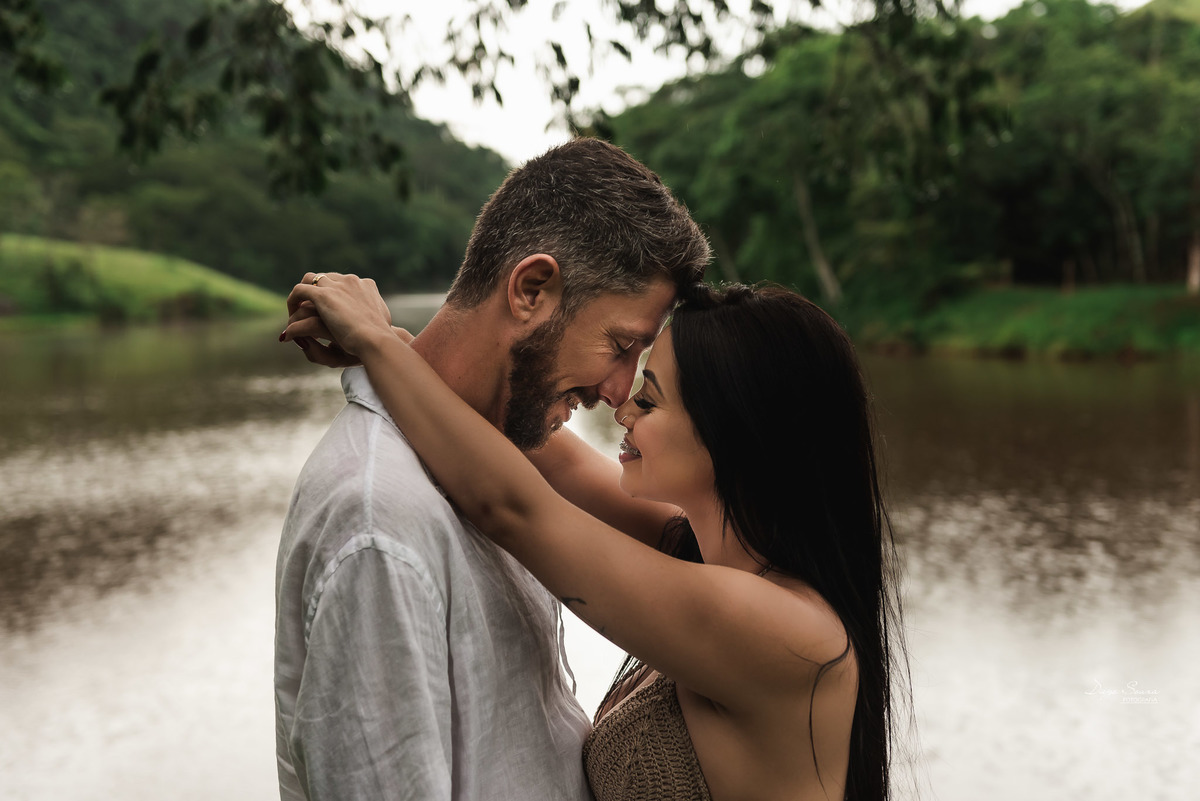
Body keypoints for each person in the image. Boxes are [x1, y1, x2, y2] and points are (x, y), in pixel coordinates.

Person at [282, 277, 911, 801]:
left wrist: (374, 341)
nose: (622, 408)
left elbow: (512, 507)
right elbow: (541, 454)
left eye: (651, 398)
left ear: (734, 433)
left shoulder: (789, 632)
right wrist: (394, 349)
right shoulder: (697, 549)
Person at [273, 137, 710, 801]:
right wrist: (384, 348)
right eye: (621, 346)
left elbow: (519, 496)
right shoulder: (381, 520)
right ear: (531, 289)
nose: (620, 391)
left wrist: (384, 346)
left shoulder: (498, 456)